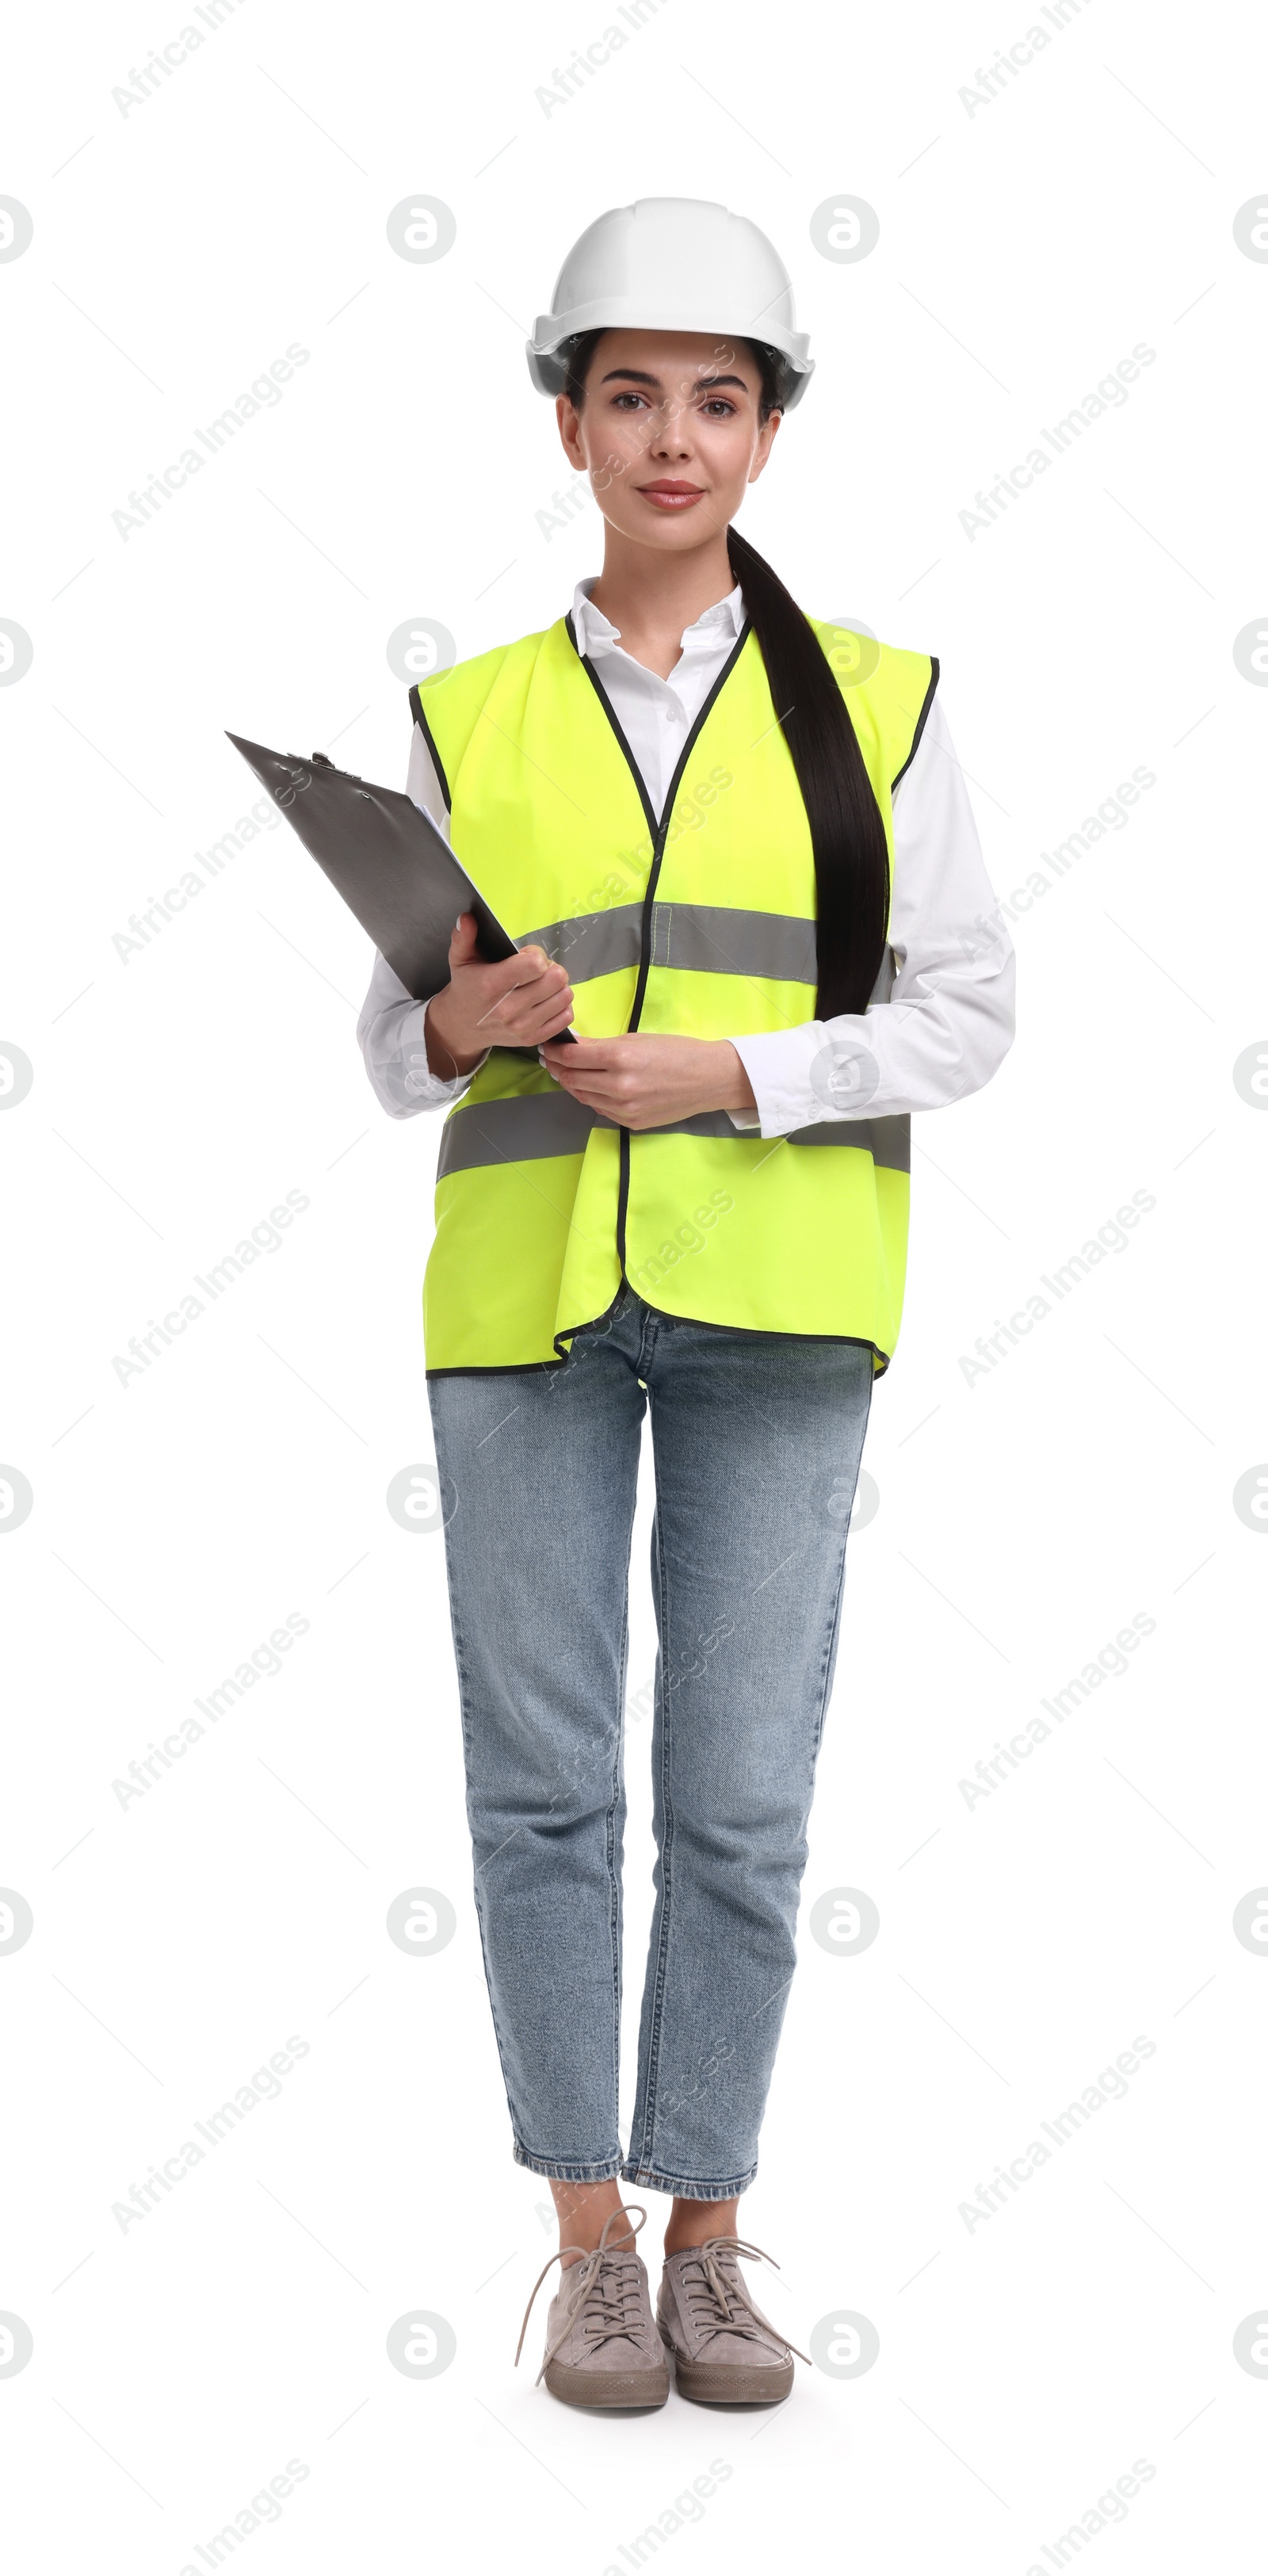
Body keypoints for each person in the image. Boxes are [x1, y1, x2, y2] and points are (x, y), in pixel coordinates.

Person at [357, 197, 1014, 2410]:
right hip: (525, 1302)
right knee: (543, 1787)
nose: (672, 436)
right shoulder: (465, 711)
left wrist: (741, 1072)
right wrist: (463, 1027)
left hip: (781, 1301)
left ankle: (717, 2221)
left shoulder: (884, 710)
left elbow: (971, 1014)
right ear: (568, 418)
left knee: (740, 1798)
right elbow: (387, 1046)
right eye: (629, 391)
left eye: (717, 397)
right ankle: (591, 2239)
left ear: (767, 434)